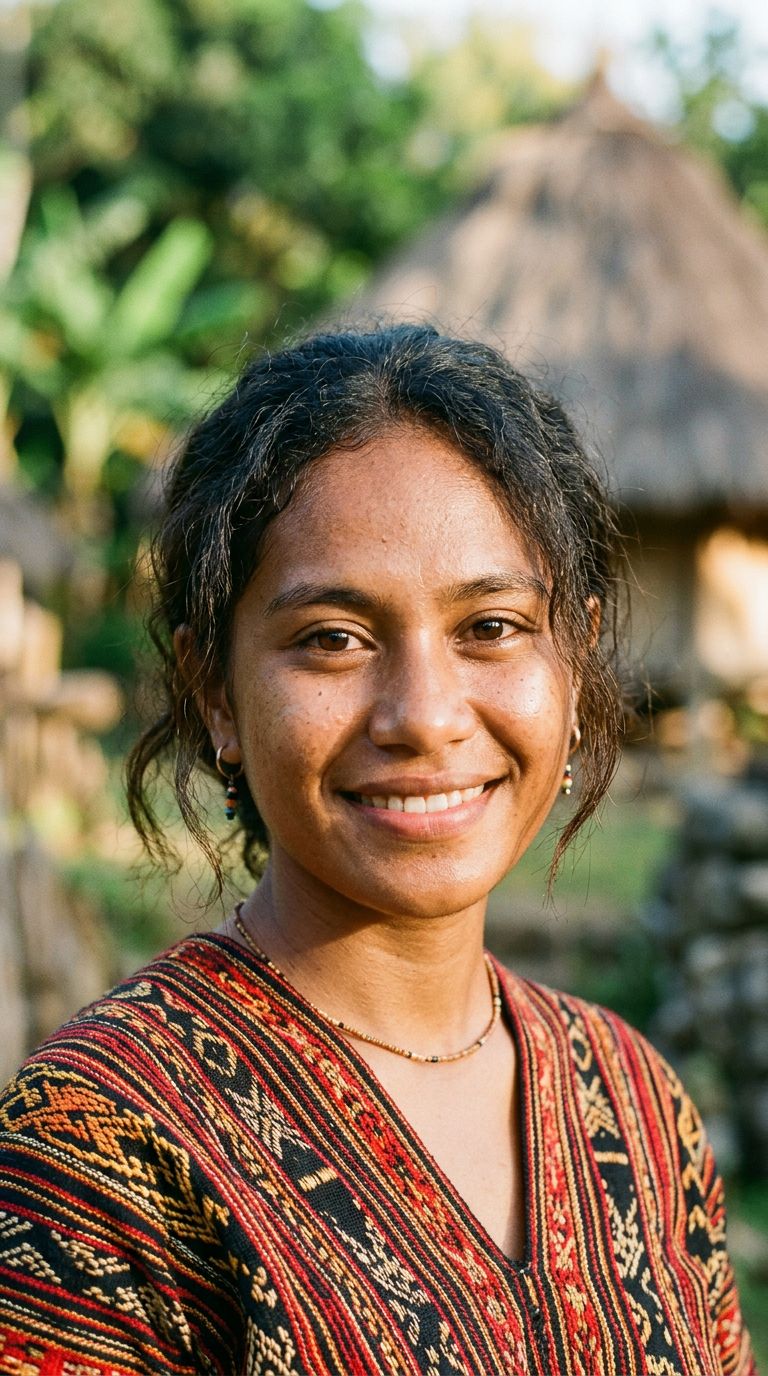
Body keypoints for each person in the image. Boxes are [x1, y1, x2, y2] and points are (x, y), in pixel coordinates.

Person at [0, 324, 755, 1375]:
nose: (425, 715)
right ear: (216, 689)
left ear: (574, 665)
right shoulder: (103, 1145)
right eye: (333, 638)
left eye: (491, 625)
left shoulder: (633, 1101)